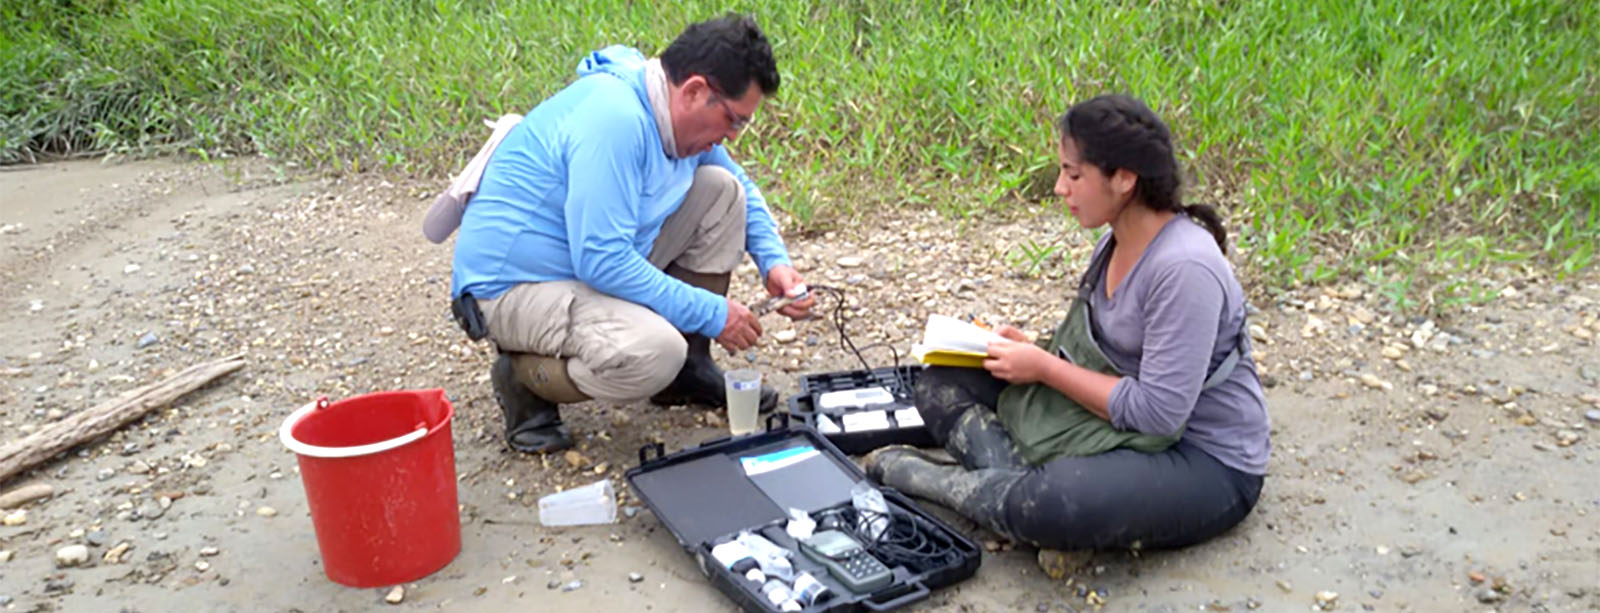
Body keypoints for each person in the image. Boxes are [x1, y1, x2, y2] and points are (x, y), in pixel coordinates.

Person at [866, 94, 1269, 554]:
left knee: (1059, 500)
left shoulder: (1184, 269)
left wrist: (1044, 368)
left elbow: (1159, 413)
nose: (1060, 187)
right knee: (941, 384)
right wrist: (1030, 350)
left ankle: (934, 482)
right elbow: (1102, 352)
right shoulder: (1113, 244)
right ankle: (1016, 500)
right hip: (1112, 422)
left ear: (1124, 179)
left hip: (1199, 457)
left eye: (1073, 175)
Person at [438, 14, 814, 454]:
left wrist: (776, 265)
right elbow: (601, 260)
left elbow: (742, 190)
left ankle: (687, 372)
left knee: (722, 192)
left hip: (582, 262)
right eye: (733, 121)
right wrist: (714, 313)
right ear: (694, 90)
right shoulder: (614, 120)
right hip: (513, 288)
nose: (730, 137)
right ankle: (525, 379)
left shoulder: (665, 110)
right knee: (654, 351)